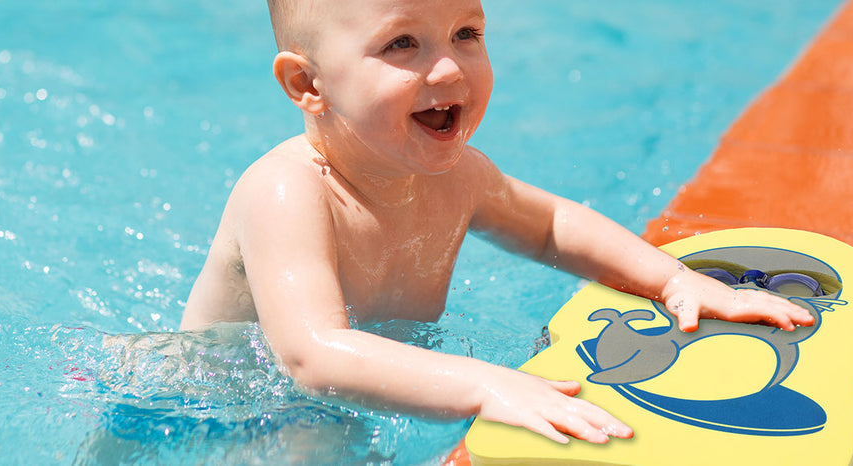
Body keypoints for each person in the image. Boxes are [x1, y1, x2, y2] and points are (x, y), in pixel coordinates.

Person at [179, 0, 815, 445]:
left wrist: (672, 279)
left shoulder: (459, 176)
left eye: (466, 33)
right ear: (307, 83)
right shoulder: (286, 192)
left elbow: (551, 226)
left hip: (338, 396)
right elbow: (312, 355)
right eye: (402, 44)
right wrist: (486, 385)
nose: (450, 68)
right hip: (216, 406)